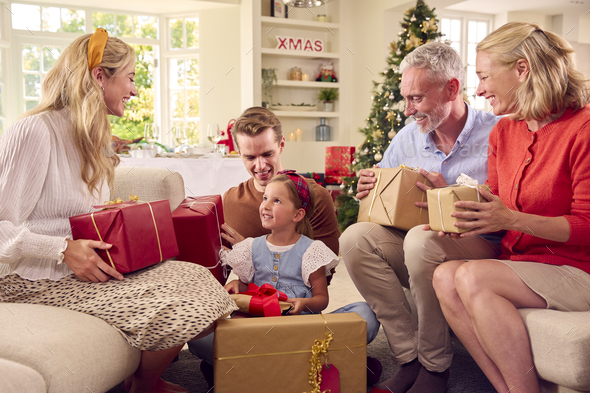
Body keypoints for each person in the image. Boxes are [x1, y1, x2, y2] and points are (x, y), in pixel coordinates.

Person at [0, 29, 237, 393]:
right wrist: (62, 249)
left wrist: (118, 216)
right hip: (30, 277)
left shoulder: (90, 136)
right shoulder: (34, 130)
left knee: (202, 284)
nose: (135, 90)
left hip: (80, 267)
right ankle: (146, 385)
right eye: (129, 78)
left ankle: (142, 383)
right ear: (99, 76)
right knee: (183, 306)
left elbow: (77, 212)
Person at [432, 22, 590, 393]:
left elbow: (586, 224)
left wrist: (511, 218)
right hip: (522, 263)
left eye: (485, 76)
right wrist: (461, 216)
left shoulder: (583, 128)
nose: (479, 89)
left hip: (577, 269)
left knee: (472, 276)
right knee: (444, 276)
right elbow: (496, 199)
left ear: (522, 69)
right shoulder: (505, 131)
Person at [340, 42, 502, 393]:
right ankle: (410, 360)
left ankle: (435, 367)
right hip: (422, 247)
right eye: (405, 98)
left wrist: (450, 194)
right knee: (354, 239)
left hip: (483, 246)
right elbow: (379, 196)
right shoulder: (407, 138)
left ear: (452, 89)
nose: (407, 109)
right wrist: (367, 186)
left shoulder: (497, 132)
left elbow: (510, 203)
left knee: (421, 239)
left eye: (416, 98)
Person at [189, 169, 381, 386]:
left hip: (303, 334)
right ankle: (326, 366)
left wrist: (304, 303)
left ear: (297, 215)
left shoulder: (312, 250)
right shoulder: (251, 247)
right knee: (197, 331)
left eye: (277, 200)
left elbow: (322, 299)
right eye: (265, 198)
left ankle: (237, 370)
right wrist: (238, 285)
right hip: (259, 334)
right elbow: (247, 286)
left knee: (366, 314)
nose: (266, 205)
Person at [221, 106, 339, 256]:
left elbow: (324, 271)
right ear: (240, 154)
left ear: (281, 145)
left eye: (267, 154)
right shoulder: (231, 201)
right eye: (250, 157)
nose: (260, 166)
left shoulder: (316, 197)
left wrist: (250, 254)